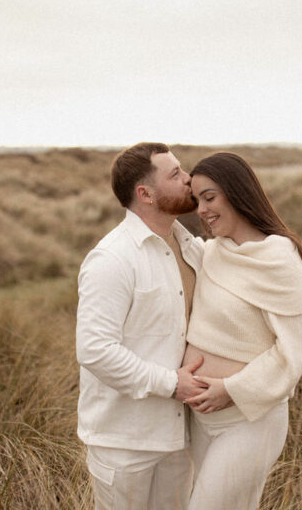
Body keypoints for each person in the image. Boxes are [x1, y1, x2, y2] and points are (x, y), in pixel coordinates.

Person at [76, 142, 208, 509]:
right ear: (145, 194)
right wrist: (170, 383)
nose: (189, 179)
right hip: (125, 441)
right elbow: (95, 350)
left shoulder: (190, 245)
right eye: (175, 174)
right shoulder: (112, 258)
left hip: (178, 437)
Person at [181, 152, 302, 510]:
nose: (202, 210)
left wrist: (232, 389)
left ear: (238, 192)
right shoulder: (211, 253)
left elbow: (297, 349)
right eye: (195, 201)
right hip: (200, 417)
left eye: (210, 197)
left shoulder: (278, 259)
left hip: (250, 418)